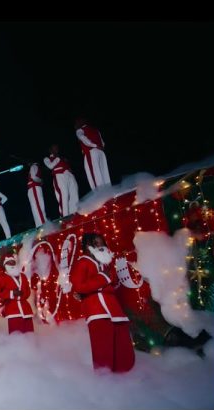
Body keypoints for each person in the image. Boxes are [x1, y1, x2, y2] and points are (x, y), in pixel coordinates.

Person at [69, 233, 135, 372]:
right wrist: (102, 278)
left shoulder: (106, 264)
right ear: (88, 246)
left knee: (123, 348)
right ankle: (105, 380)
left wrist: (108, 277)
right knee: (103, 350)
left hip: (114, 309)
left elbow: (113, 282)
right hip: (97, 311)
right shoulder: (83, 262)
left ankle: (125, 377)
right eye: (96, 243)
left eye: (102, 243)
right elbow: (79, 286)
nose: (101, 246)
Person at [0, 253, 35, 334]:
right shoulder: (2, 278)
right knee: (16, 335)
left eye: (13, 262)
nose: (11, 264)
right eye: (8, 263)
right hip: (13, 310)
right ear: (5, 265)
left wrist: (22, 294)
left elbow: (28, 290)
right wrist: (11, 293)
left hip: (26, 310)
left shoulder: (23, 276)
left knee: (30, 334)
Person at [43, 144, 79, 217]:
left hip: (69, 175)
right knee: (64, 195)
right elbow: (50, 166)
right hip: (59, 175)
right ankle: (65, 216)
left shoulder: (62, 158)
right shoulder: (47, 158)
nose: (56, 149)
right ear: (50, 150)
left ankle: (75, 213)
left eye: (57, 148)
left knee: (74, 194)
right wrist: (58, 158)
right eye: (54, 148)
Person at [75, 118, 111, 190]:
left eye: (77, 122)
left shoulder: (79, 130)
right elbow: (103, 143)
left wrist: (94, 145)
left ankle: (100, 193)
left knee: (95, 174)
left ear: (81, 122)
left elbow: (83, 138)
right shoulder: (95, 130)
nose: (76, 125)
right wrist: (100, 146)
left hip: (91, 152)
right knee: (104, 172)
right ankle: (108, 191)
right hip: (101, 152)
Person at [27, 163, 48, 228]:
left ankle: (43, 226)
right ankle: (41, 226)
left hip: (34, 188)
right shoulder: (35, 166)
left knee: (37, 208)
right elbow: (34, 177)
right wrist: (40, 180)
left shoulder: (34, 166)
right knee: (37, 208)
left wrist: (40, 180)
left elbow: (33, 177)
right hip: (34, 188)